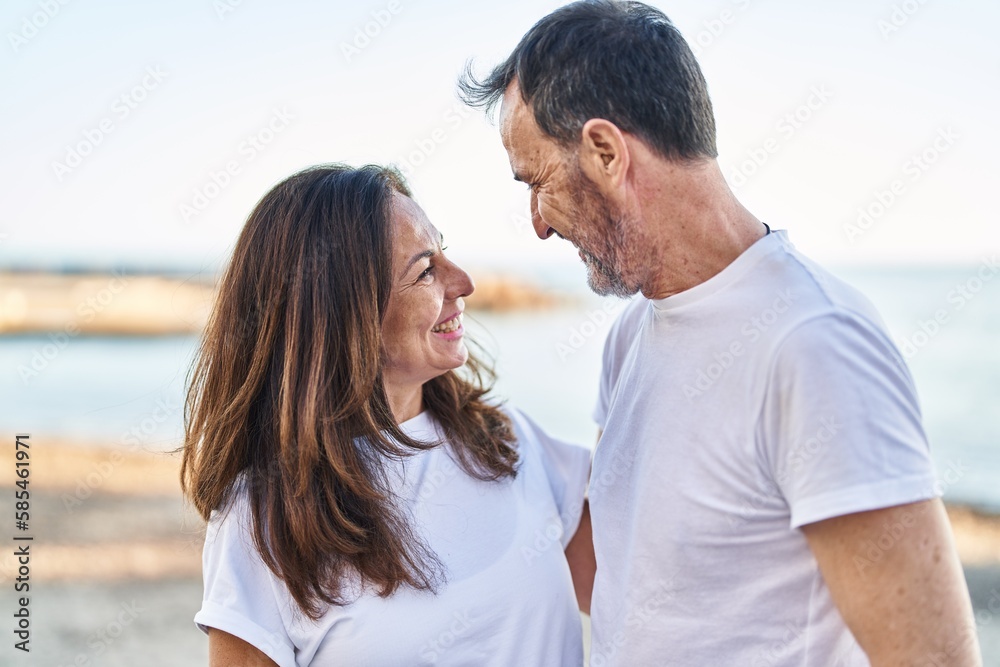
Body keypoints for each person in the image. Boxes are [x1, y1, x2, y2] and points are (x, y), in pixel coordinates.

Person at [459, 1, 981, 665]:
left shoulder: (815, 343)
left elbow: (932, 657)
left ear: (605, 151)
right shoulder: (629, 338)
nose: (537, 223)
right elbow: (631, 583)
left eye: (537, 183)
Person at [181, 164, 595, 666]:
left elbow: (650, 591)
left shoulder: (508, 442)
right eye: (425, 270)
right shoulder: (262, 519)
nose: (463, 282)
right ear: (343, 315)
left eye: (444, 251)